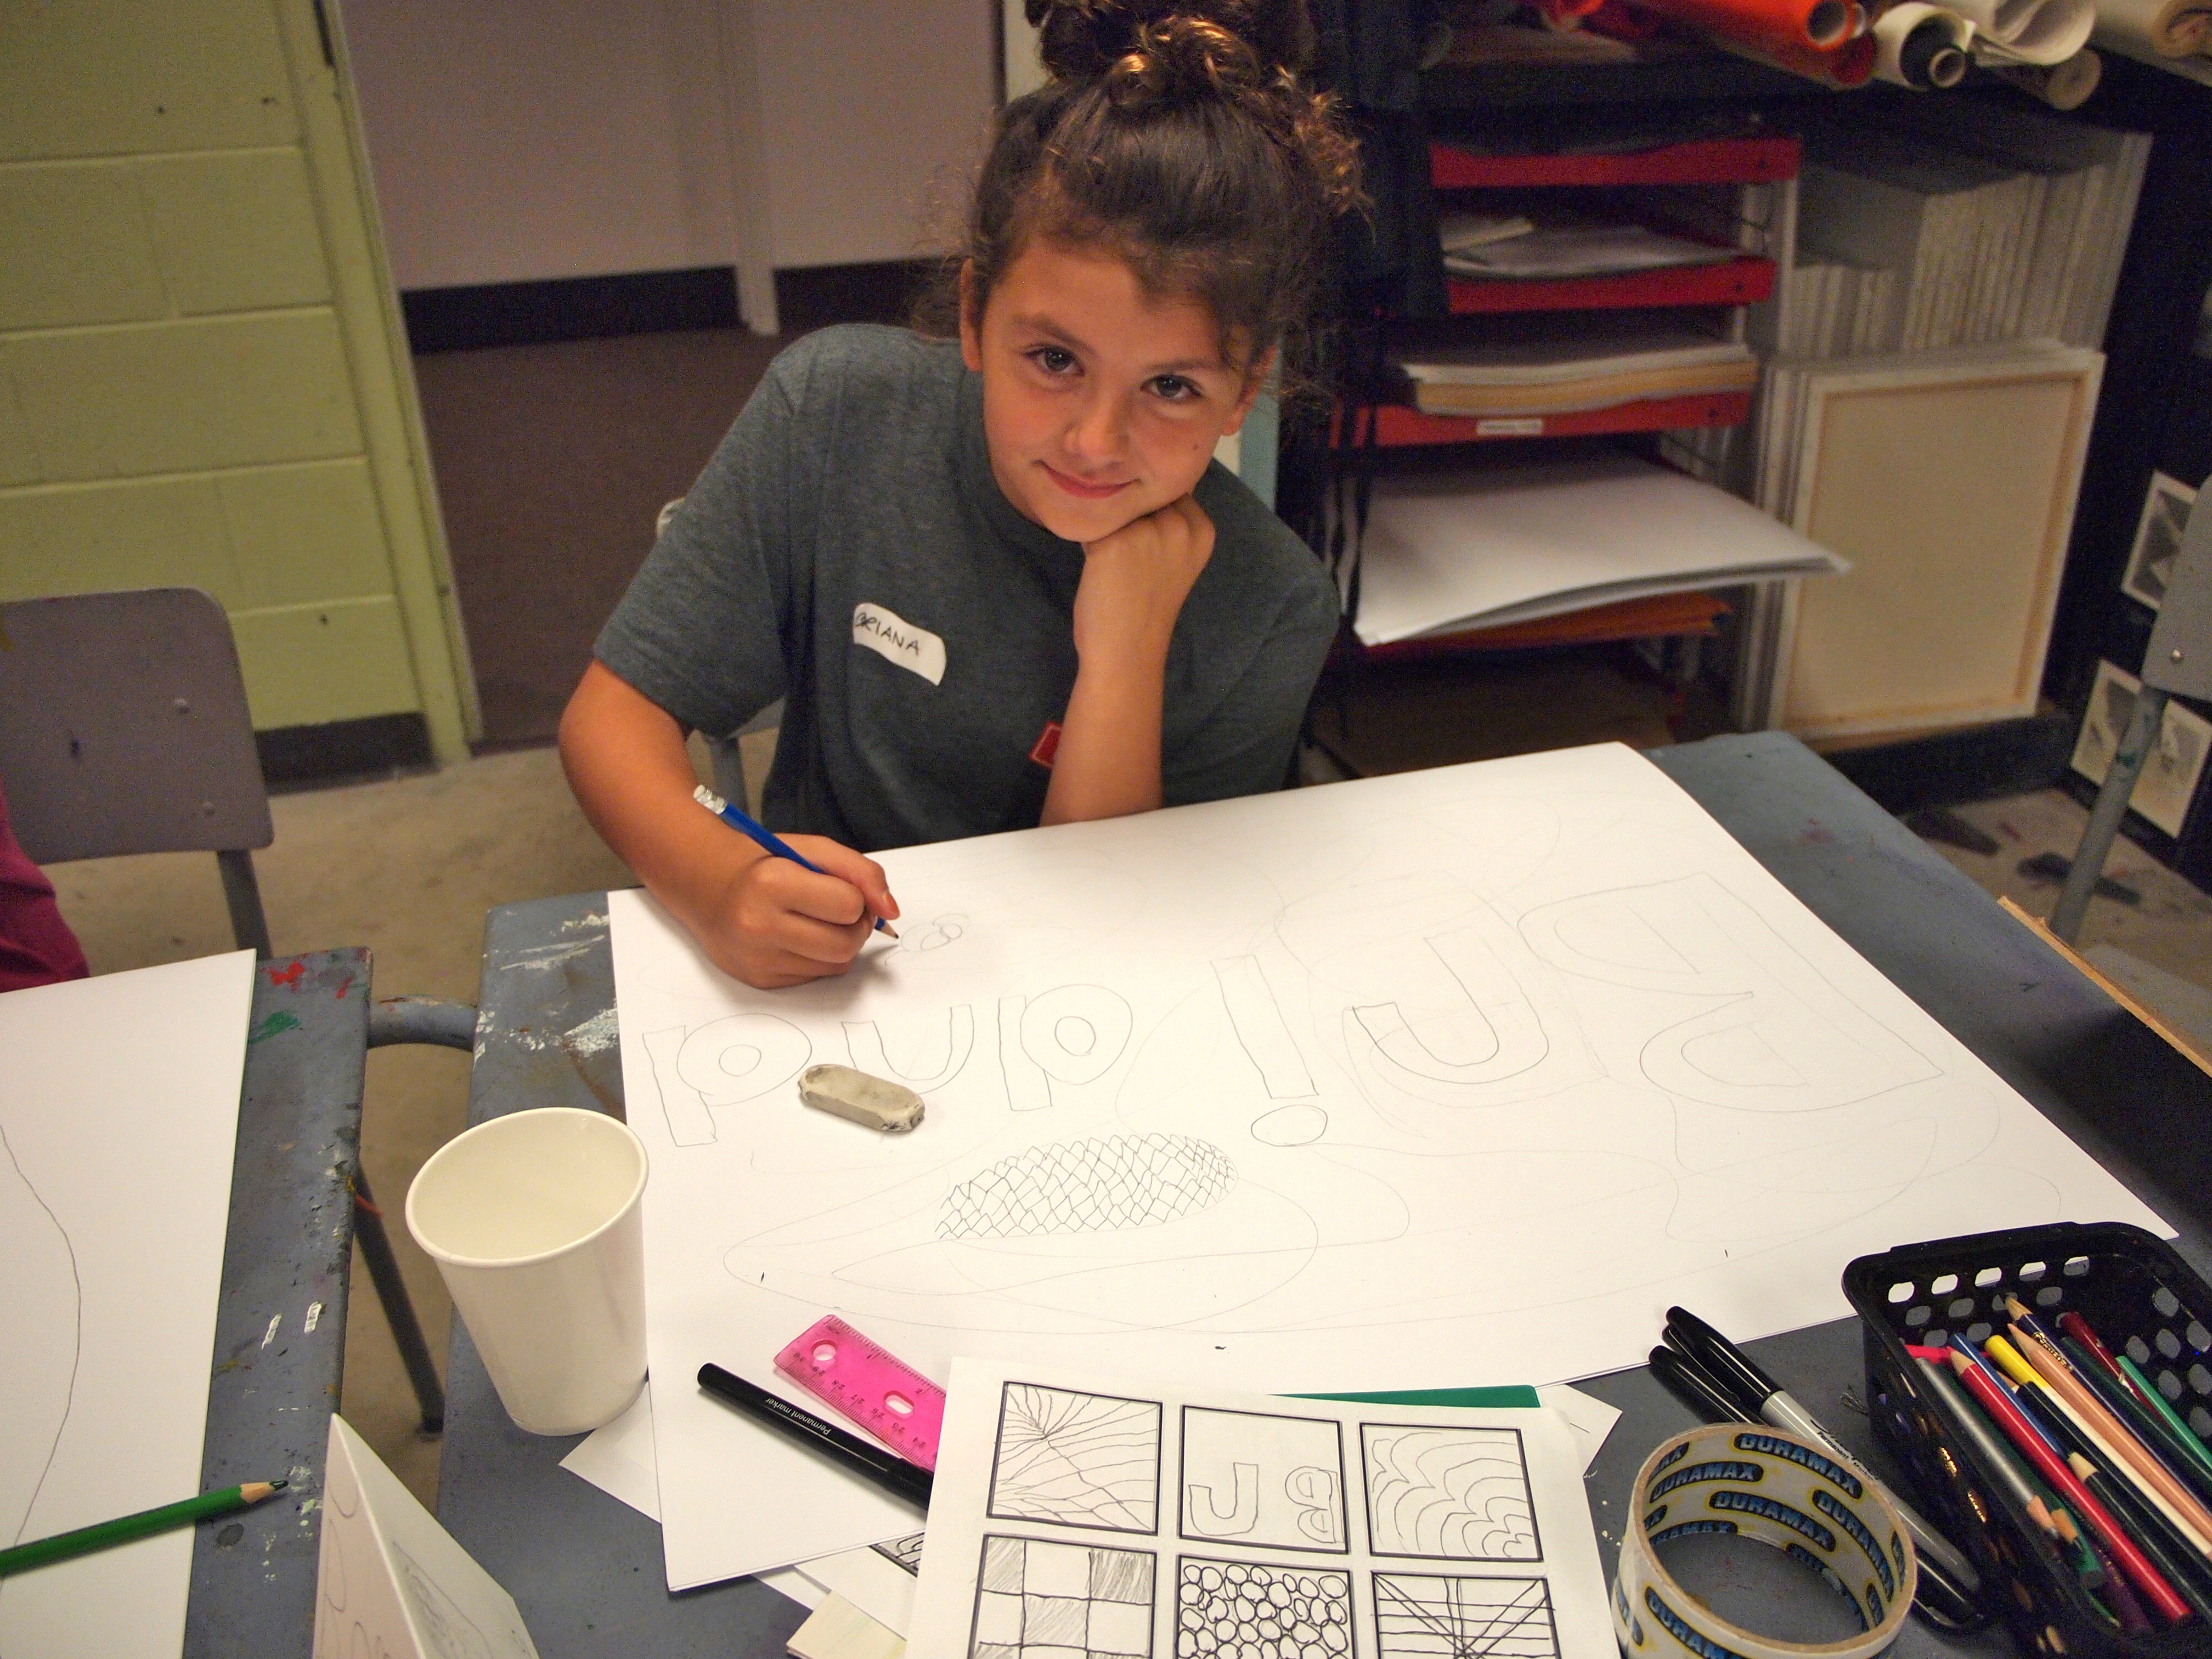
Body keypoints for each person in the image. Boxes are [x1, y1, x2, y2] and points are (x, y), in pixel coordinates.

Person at [560, 0, 1359, 989]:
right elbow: (612, 719)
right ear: (976, 315)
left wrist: (1125, 650)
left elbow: (1106, 929)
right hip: (836, 977)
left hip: (1070, 1005)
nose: (1097, 442)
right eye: (1055, 359)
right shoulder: (836, 414)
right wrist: (716, 879)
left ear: (1245, 390)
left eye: (1170, 387)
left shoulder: (1271, 607)